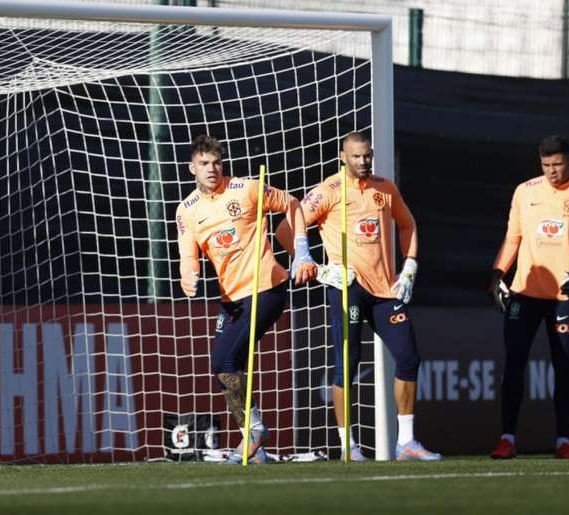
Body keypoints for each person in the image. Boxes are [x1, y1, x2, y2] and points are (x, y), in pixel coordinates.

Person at [276, 132, 440, 462]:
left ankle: (405, 443)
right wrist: (313, 265)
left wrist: (409, 266)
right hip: (347, 287)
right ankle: (348, 446)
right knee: (347, 365)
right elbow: (286, 228)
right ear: (342, 157)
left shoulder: (385, 187)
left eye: (367, 155)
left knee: (408, 357)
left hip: (385, 290)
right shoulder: (328, 191)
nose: (363, 161)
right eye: (356, 156)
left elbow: (408, 225)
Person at [175, 134, 318, 464]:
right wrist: (188, 274)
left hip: (266, 286)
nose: (212, 169)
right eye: (204, 164)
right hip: (231, 298)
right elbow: (188, 254)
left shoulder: (247, 189)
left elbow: (293, 204)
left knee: (227, 362)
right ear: (191, 168)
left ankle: (254, 433)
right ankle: (257, 445)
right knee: (221, 367)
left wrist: (301, 252)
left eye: (216, 163)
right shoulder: (186, 211)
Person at [488, 135, 569, 460]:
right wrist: (497, 273)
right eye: (546, 164)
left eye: (558, 164)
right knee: (514, 363)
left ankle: (563, 441)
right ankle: (507, 438)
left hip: (564, 296)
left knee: (564, 365)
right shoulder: (525, 191)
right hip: (524, 292)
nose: (552, 170)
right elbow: (513, 238)